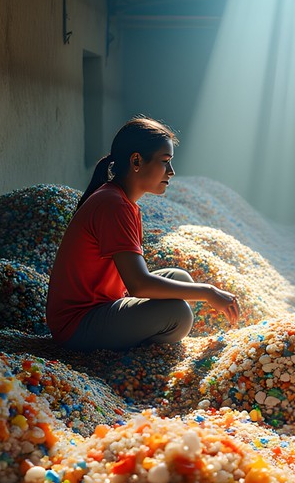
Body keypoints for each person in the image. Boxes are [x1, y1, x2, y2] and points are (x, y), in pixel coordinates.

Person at [47, 115, 239, 351]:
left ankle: (136, 337)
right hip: (77, 326)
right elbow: (138, 285)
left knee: (179, 278)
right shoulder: (113, 204)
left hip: (105, 306)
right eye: (165, 161)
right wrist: (207, 292)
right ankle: (136, 351)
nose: (171, 171)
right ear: (136, 160)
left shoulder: (121, 201)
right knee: (178, 314)